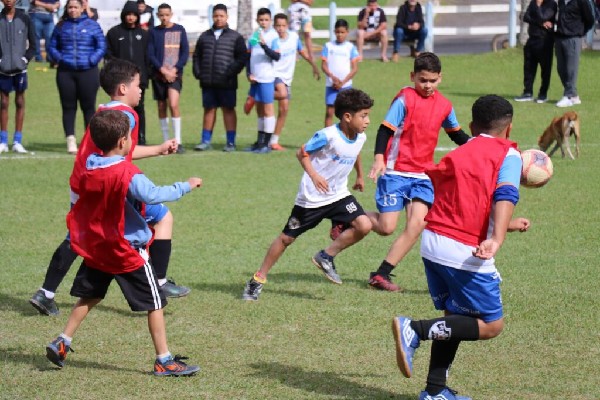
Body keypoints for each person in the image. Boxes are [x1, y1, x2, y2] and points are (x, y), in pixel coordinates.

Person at [392, 95, 529, 400]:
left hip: (433, 242)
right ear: (508, 128)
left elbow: (465, 202)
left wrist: (504, 225)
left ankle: (435, 391)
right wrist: (496, 238)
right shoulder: (508, 153)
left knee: (454, 317)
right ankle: (415, 329)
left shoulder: (460, 152)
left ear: (471, 126)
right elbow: (506, 194)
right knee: (491, 325)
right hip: (462, 249)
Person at [44, 110, 202, 376]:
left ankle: (63, 340)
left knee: (90, 296)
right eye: (130, 136)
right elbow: (152, 195)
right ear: (122, 141)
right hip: (126, 250)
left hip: (99, 247)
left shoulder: (90, 165)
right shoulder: (126, 172)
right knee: (155, 302)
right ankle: (164, 360)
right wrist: (185, 185)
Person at [29, 59, 190, 317]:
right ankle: (158, 282)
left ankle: (45, 293)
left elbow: (115, 152)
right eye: (138, 85)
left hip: (84, 180)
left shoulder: (104, 110)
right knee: (162, 216)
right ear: (123, 88)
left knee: (78, 235)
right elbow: (122, 154)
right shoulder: (126, 116)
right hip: (108, 183)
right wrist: (160, 153)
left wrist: (158, 149)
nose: (141, 90)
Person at [241, 88, 374, 301]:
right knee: (286, 239)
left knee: (364, 225)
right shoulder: (327, 135)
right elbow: (301, 152)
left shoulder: (361, 137)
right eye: (364, 116)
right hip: (312, 199)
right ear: (348, 117)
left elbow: (355, 152)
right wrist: (314, 176)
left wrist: (359, 175)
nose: (367, 121)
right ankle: (257, 279)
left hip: (339, 195)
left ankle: (326, 256)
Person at [366, 52, 470, 292]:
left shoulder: (444, 106)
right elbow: (385, 130)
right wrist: (379, 157)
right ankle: (348, 215)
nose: (427, 85)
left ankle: (381, 274)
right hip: (396, 171)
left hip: (423, 175)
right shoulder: (405, 99)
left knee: (417, 224)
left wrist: (481, 144)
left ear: (440, 78)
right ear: (412, 76)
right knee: (386, 227)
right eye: (422, 80)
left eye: (432, 80)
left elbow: (456, 134)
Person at [48, 0, 105, 154]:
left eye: (76, 7)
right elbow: (52, 46)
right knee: (68, 107)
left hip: (88, 72)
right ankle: (71, 140)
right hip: (66, 72)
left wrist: (92, 60)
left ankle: (89, 142)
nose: (73, 10)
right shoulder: (61, 26)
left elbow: (101, 46)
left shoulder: (92, 25)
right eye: (70, 7)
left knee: (88, 107)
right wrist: (60, 59)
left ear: (82, 8)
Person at [192, 3, 247, 152]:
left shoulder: (235, 37)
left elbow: (242, 57)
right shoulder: (205, 36)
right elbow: (197, 56)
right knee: (209, 109)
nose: (218, 18)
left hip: (227, 81)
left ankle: (230, 142)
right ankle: (205, 141)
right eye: (216, 16)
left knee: (228, 109)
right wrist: (198, 72)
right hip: (208, 81)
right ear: (212, 17)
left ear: (227, 17)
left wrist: (231, 72)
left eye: (221, 16)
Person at [269, 12, 320, 151]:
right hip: (275, 75)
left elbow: (301, 51)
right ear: (274, 26)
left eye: (283, 25)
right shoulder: (273, 40)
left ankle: (274, 141)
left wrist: (313, 65)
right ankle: (259, 95)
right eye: (278, 26)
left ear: (287, 26)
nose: (280, 28)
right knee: (283, 94)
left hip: (288, 78)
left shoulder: (294, 37)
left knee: (284, 110)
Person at [105, 0, 150, 145]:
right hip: (120, 80)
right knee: (120, 108)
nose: (131, 17)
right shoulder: (114, 33)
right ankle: (120, 137)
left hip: (138, 80)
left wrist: (145, 76)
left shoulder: (143, 34)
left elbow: (148, 57)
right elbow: (108, 54)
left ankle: (140, 138)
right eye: (128, 14)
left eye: (133, 14)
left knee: (139, 108)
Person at [148, 3, 189, 153]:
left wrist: (174, 69)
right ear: (157, 16)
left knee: (173, 104)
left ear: (171, 14)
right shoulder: (154, 32)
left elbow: (185, 52)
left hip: (175, 75)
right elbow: (150, 53)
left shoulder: (180, 29)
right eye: (161, 15)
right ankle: (166, 141)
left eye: (167, 14)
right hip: (159, 74)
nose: (164, 17)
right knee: (161, 106)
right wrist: (162, 70)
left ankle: (178, 141)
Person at [0, 0, 36, 154]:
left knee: (20, 101)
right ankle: (3, 141)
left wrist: (25, 59)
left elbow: (33, 44)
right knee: (3, 102)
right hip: (3, 69)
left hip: (20, 69)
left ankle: (17, 141)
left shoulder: (25, 18)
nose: (9, 0)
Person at [245, 7, 280, 154]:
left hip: (266, 78)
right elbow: (248, 57)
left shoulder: (273, 36)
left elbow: (277, 56)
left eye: (266, 20)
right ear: (257, 20)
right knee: (259, 110)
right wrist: (248, 73)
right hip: (255, 78)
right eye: (261, 20)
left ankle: (267, 143)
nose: (263, 22)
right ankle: (259, 142)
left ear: (270, 21)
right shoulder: (253, 36)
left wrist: (264, 45)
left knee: (268, 109)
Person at [514, 0, 557, 104]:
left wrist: (537, 6)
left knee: (545, 69)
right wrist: (541, 23)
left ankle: (543, 94)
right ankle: (527, 92)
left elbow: (543, 16)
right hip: (532, 39)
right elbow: (526, 17)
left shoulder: (551, 4)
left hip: (545, 40)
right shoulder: (533, 2)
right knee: (528, 67)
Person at [554, 0, 594, 108]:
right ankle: (574, 96)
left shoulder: (581, 1)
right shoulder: (561, 1)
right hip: (560, 37)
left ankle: (568, 96)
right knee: (561, 69)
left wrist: (580, 31)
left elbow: (590, 19)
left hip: (573, 38)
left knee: (571, 69)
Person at [321, 19, 359, 128]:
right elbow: (324, 65)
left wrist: (343, 82)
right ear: (334, 32)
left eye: (342, 32)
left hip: (345, 86)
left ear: (347, 32)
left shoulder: (350, 47)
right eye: (337, 32)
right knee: (329, 112)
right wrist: (332, 77)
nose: (340, 35)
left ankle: (345, 134)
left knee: (346, 113)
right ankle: (328, 135)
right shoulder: (328, 46)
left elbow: (355, 68)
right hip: (331, 85)